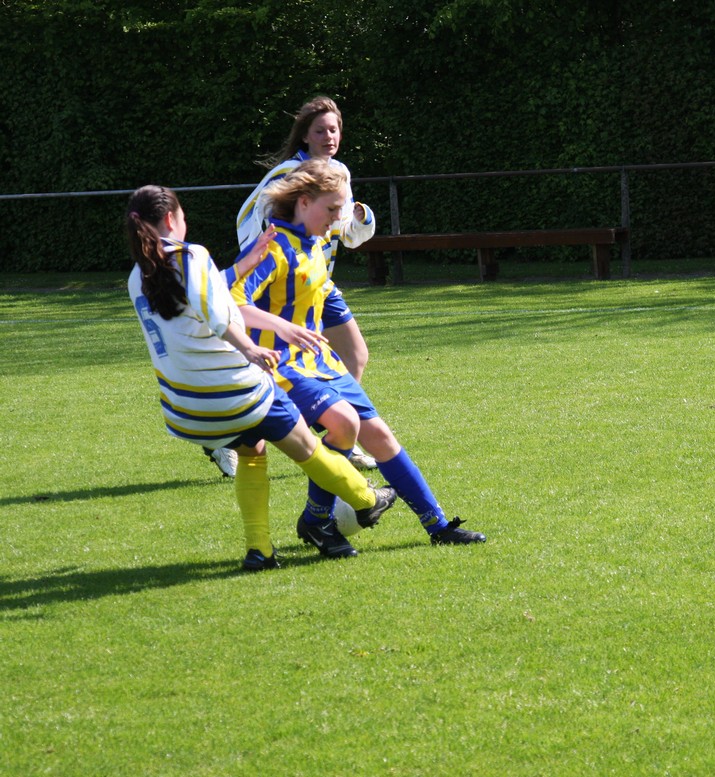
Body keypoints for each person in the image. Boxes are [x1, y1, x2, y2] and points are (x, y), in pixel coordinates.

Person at [126, 184, 397, 571]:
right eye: (183, 215)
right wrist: (251, 349)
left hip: (184, 409)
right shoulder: (192, 255)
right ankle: (367, 500)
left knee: (252, 453)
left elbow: (199, 294)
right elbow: (217, 315)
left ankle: (260, 552)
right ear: (171, 218)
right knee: (309, 448)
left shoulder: (139, 275)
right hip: (234, 393)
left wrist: (244, 265)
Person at [230, 158, 486, 555]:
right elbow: (230, 301)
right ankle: (318, 520)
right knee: (342, 424)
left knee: (380, 436)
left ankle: (437, 526)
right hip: (281, 366)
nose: (338, 218)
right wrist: (283, 328)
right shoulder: (273, 246)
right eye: (331, 209)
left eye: (341, 209)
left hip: (320, 362)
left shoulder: (315, 244)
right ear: (303, 202)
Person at [204, 96, 377, 477]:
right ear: (305, 136)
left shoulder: (340, 173)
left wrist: (362, 218)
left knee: (355, 355)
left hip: (319, 284)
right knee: (265, 371)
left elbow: (348, 236)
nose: (329, 136)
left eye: (334, 129)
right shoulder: (287, 173)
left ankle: (338, 433)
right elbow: (248, 216)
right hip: (283, 287)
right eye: (320, 130)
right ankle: (226, 438)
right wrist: (262, 261)